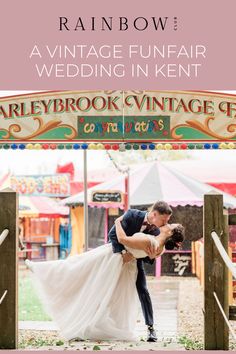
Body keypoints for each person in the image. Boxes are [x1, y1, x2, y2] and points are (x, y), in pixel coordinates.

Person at [25, 220, 184, 342]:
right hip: (125, 266)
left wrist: (117, 222)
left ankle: (42, 271)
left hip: (112, 258)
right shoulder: (159, 247)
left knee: (77, 266)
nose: (166, 223)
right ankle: (95, 324)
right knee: (106, 295)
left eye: (170, 224)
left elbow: (122, 239)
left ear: (170, 232)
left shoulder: (152, 242)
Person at [108, 201, 172, 342]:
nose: (165, 224)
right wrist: (123, 253)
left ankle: (151, 328)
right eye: (164, 220)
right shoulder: (132, 214)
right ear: (154, 214)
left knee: (143, 290)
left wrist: (151, 256)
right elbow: (112, 235)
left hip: (135, 263)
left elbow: (148, 255)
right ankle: (101, 322)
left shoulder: (156, 231)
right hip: (115, 258)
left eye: (167, 221)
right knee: (108, 290)